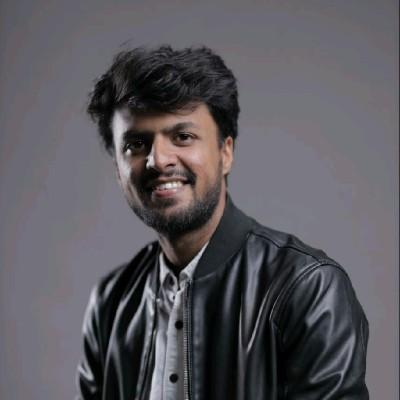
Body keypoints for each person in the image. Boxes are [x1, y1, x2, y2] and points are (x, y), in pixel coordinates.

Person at [76, 45, 369, 400]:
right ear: (118, 169)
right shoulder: (111, 303)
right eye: (136, 144)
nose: (158, 160)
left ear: (225, 152)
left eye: (182, 137)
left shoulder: (307, 289)